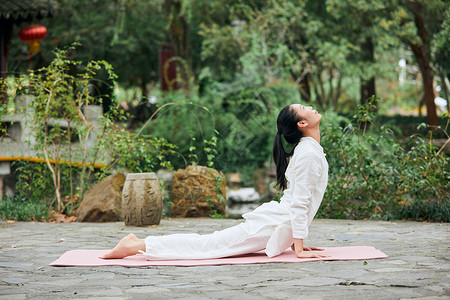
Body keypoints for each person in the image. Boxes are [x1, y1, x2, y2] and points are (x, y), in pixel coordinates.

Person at [101, 104, 329, 260]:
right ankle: (135, 246)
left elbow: (299, 199)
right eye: (304, 108)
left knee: (208, 243)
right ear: (301, 124)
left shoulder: (309, 151)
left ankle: (136, 242)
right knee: (206, 246)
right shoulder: (308, 153)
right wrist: (298, 248)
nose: (310, 108)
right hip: (267, 227)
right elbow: (299, 201)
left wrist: (293, 241)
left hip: (275, 223)